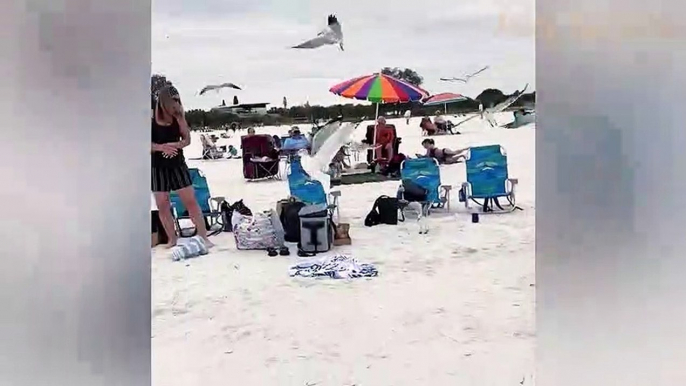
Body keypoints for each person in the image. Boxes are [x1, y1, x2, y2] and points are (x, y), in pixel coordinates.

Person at [151, 86, 213, 248]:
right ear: (165, 101)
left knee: (190, 201)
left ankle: (203, 236)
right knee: (162, 204)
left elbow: (186, 140)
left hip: (177, 164)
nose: (177, 104)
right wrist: (162, 148)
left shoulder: (179, 117)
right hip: (157, 167)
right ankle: (172, 239)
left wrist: (174, 145)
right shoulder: (150, 119)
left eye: (179, 100)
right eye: (174, 101)